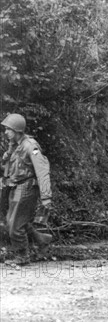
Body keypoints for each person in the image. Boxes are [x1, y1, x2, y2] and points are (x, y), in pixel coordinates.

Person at [1, 114, 53, 266]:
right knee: (14, 222)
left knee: (15, 226)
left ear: (17, 130)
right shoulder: (15, 145)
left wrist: (46, 196)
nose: (5, 132)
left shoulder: (31, 146)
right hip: (15, 186)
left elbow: (42, 171)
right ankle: (42, 240)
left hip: (26, 188)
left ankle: (22, 257)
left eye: (8, 129)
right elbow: (10, 169)